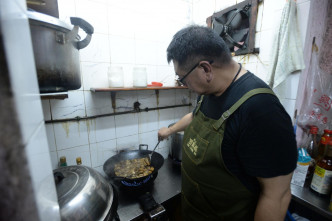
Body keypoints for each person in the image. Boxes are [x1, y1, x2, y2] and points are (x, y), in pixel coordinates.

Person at [158, 25, 298, 221]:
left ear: (205, 69)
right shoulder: (211, 89)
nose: (185, 86)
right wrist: (170, 130)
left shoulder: (261, 109)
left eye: (183, 79)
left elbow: (277, 195)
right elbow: (195, 116)